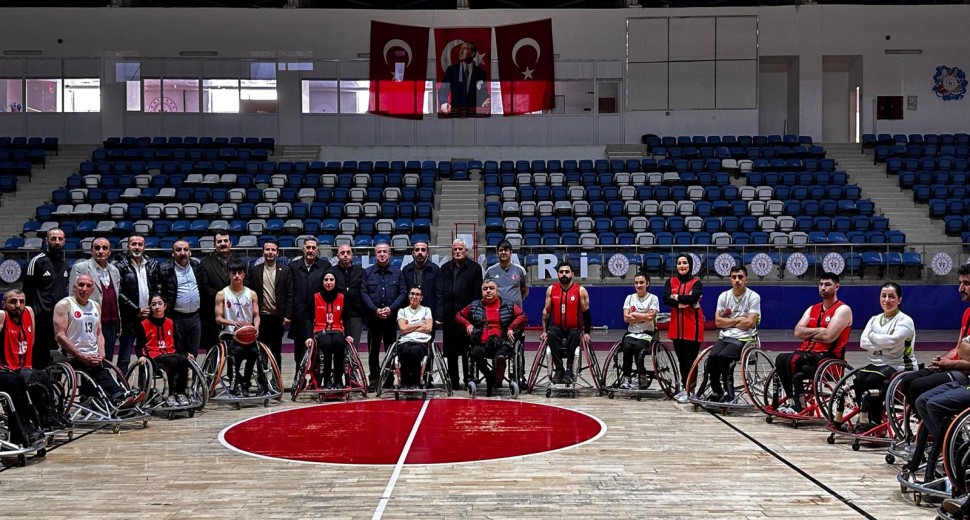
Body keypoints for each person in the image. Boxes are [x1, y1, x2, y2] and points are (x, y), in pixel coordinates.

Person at [902, 266, 970, 496]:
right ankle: (950, 446)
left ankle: (951, 449)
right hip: (963, 373)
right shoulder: (967, 313)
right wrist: (945, 359)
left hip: (964, 375)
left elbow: (965, 356)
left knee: (929, 399)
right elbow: (960, 349)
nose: (960, 288)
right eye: (960, 283)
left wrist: (953, 363)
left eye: (966, 283)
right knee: (920, 398)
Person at [842, 282, 916, 433]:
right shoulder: (874, 319)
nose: (887, 300)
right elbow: (863, 343)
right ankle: (865, 418)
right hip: (877, 364)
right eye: (884, 296)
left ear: (899, 300)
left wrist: (873, 337)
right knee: (859, 379)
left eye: (892, 297)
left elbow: (892, 341)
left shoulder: (905, 320)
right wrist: (883, 343)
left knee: (872, 381)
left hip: (900, 365)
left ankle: (875, 422)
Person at [774, 272, 852, 414]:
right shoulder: (812, 309)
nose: (823, 287)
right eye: (821, 284)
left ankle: (799, 405)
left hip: (828, 358)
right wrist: (819, 330)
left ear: (837, 287)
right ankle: (792, 400)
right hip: (807, 354)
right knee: (780, 359)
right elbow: (797, 332)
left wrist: (808, 334)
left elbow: (828, 337)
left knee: (795, 360)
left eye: (827, 284)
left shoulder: (843, 309)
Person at [53, 274, 131, 407]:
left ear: (92, 290)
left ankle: (119, 396)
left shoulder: (95, 306)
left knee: (102, 370)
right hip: (73, 355)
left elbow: (99, 333)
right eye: (81, 285)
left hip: (93, 355)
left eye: (88, 285)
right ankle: (117, 396)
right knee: (96, 371)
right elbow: (60, 336)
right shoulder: (64, 305)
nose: (84, 288)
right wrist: (81, 355)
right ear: (74, 287)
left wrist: (101, 353)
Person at [0, 289, 71, 431]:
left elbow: (30, 342)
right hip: (7, 369)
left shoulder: (29, 312)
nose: (18, 305)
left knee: (48, 380)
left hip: (23, 367)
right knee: (37, 379)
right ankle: (44, 418)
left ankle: (50, 415)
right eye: (13, 302)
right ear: (4, 304)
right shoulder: (2, 316)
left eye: (21, 301)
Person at [455, 279, 527, 396]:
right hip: (481, 342)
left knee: (500, 358)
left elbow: (522, 316)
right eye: (485, 289)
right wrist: (467, 324)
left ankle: (497, 379)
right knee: (474, 353)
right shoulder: (474, 305)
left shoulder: (508, 305)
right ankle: (489, 376)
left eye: (491, 288)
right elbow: (458, 316)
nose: (488, 291)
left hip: (502, 342)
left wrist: (511, 327)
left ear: (497, 291)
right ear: (481, 292)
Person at [706, 266, 761, 403]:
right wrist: (738, 319)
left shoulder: (754, 297)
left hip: (745, 338)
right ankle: (717, 391)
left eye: (740, 277)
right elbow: (718, 322)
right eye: (734, 277)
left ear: (746, 279)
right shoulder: (723, 296)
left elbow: (749, 323)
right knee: (712, 357)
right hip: (726, 336)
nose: (737, 280)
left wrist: (728, 322)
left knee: (724, 357)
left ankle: (729, 393)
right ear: (730, 279)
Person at [69, 237, 125, 368]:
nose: (101, 251)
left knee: (107, 360)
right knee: (90, 362)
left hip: (111, 323)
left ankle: (104, 381)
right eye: (97, 248)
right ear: (91, 251)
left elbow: (116, 298)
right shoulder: (80, 268)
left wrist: (119, 323)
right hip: (89, 322)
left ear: (109, 252)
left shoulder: (114, 271)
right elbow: (73, 296)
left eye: (104, 248)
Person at [214, 261, 263, 397]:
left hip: (247, 335)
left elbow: (256, 316)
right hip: (230, 334)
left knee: (254, 353)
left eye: (239, 273)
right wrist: (233, 323)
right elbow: (218, 318)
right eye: (234, 273)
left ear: (244, 275)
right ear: (229, 274)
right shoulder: (221, 294)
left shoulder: (251, 294)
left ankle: (246, 382)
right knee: (237, 353)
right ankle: (236, 382)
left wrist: (256, 327)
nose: (236, 276)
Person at [114, 234, 162, 374]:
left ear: (144, 247)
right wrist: (136, 310)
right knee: (124, 356)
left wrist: (152, 308)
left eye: (140, 244)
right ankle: (122, 385)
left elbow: (158, 287)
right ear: (128, 246)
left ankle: (144, 384)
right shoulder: (120, 266)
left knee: (146, 355)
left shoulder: (153, 264)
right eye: (133, 244)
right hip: (129, 318)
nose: (137, 247)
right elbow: (119, 292)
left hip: (148, 317)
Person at [23, 227, 69, 369]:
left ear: (64, 241)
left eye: (60, 239)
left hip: (59, 321)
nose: (57, 242)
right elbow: (27, 294)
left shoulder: (64, 264)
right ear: (46, 240)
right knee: (39, 360)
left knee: (57, 360)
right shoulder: (36, 262)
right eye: (53, 238)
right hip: (40, 321)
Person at [362, 242, 407, 390]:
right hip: (373, 319)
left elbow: (403, 293)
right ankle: (374, 380)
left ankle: (388, 380)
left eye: (384, 252)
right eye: (379, 252)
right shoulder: (367, 273)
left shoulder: (398, 273)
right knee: (373, 352)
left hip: (390, 320)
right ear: (375, 254)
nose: (382, 254)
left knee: (390, 351)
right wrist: (375, 310)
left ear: (390, 254)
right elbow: (363, 293)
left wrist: (391, 309)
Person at [440, 238, 483, 390]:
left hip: (468, 317)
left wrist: (475, 316)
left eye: (460, 249)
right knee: (451, 352)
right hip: (449, 316)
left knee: (467, 351)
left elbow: (477, 294)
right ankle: (454, 381)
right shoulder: (444, 268)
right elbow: (441, 293)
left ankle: (468, 379)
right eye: (455, 249)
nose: (457, 251)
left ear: (466, 251)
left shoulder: (475, 268)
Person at [540, 261, 591, 385]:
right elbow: (546, 312)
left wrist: (587, 333)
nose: (564, 274)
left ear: (572, 274)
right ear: (557, 274)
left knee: (574, 334)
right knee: (551, 334)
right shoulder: (551, 289)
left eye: (567, 272)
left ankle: (569, 370)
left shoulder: (580, 290)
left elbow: (586, 314)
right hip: (557, 327)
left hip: (574, 328)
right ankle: (559, 369)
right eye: (561, 272)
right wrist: (544, 331)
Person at [135, 294, 191, 407]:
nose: (157, 307)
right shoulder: (143, 324)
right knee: (173, 362)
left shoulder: (170, 322)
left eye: (160, 304)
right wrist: (141, 355)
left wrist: (185, 353)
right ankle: (169, 394)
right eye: (154, 304)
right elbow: (139, 344)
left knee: (184, 361)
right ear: (150, 307)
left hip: (170, 352)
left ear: (165, 306)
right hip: (154, 355)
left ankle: (181, 393)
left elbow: (177, 342)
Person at [662, 253, 704, 403]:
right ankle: (684, 388)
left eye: (684, 263)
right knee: (681, 360)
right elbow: (665, 299)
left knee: (690, 360)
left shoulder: (696, 283)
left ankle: (690, 391)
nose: (681, 266)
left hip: (693, 327)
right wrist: (682, 302)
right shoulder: (670, 281)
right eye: (679, 263)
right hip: (676, 328)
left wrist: (676, 297)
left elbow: (693, 298)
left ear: (690, 265)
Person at [246, 240, 293, 372]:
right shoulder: (255, 270)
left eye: (273, 250)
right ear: (263, 252)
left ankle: (276, 380)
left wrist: (288, 315)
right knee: (261, 351)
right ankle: (262, 380)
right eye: (267, 249)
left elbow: (290, 295)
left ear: (277, 253)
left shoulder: (285, 270)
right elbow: (249, 294)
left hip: (278, 318)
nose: (270, 252)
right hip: (261, 318)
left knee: (276, 351)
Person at [288, 238, 330, 380]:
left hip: (318, 314)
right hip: (299, 314)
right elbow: (289, 291)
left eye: (313, 247)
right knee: (299, 349)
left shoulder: (325, 266)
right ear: (303, 249)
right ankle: (299, 378)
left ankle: (316, 379)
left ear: (317, 249)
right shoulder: (293, 266)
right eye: (308, 247)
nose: (310, 250)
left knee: (318, 348)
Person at [306, 272, 352, 389]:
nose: (328, 282)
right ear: (322, 282)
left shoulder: (342, 297)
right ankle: (326, 379)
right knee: (326, 344)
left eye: (331, 280)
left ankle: (338, 380)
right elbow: (309, 319)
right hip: (321, 329)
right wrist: (309, 336)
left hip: (337, 329)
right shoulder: (315, 297)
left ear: (335, 282)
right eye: (326, 280)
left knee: (339, 343)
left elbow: (346, 318)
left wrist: (349, 334)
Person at [159, 240, 203, 358]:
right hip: (176, 317)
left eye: (185, 250)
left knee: (193, 352)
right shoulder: (165, 269)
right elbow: (160, 293)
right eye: (178, 250)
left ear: (190, 252)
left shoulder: (197, 266)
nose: (182, 253)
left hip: (195, 316)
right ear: (173, 253)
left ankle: (192, 370)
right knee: (178, 352)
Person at [617, 273, 659, 390]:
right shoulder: (630, 298)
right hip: (632, 333)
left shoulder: (653, 298)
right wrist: (643, 317)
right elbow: (626, 318)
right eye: (636, 283)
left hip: (647, 333)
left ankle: (642, 374)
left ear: (647, 284)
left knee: (637, 349)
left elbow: (650, 317)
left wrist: (634, 314)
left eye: (641, 282)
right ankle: (626, 377)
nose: (638, 285)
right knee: (627, 348)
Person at [196, 232, 237, 350]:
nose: (223, 244)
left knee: (235, 351)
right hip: (212, 314)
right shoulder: (205, 263)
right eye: (219, 241)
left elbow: (246, 284)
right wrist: (223, 297)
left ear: (230, 243)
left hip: (235, 313)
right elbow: (203, 287)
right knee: (213, 351)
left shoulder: (239, 262)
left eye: (225, 241)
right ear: (214, 245)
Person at [328, 243, 365, 354]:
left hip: (356, 315)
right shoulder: (331, 272)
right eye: (342, 253)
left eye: (348, 252)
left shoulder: (360, 271)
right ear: (338, 256)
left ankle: (352, 366)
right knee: (338, 348)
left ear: (352, 255)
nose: (345, 255)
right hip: (337, 316)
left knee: (353, 348)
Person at [437, 40, 490, 117]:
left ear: (473, 54)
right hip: (455, 115)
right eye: (460, 49)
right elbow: (443, 91)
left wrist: (486, 100)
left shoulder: (480, 73)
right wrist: (443, 103)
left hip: (475, 116)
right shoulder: (451, 71)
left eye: (465, 48)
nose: (461, 51)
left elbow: (483, 94)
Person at [396, 286, 434, 390]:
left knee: (415, 351)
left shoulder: (426, 310)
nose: (414, 296)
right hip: (405, 341)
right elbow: (402, 328)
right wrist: (419, 324)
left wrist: (409, 327)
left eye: (417, 294)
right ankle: (405, 382)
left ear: (421, 298)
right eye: (412, 294)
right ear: (409, 296)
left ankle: (416, 382)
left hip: (421, 342)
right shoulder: (402, 311)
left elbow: (429, 327)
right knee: (405, 351)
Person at [401, 240, 443, 324]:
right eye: (417, 250)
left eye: (423, 250)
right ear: (413, 253)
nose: (420, 252)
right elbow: (403, 294)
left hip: (429, 315)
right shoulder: (406, 270)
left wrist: (439, 316)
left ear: (427, 253)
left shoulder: (435, 270)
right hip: (410, 315)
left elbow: (440, 294)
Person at [484, 240, 529, 309]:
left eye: (506, 250)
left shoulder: (520, 270)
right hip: (496, 310)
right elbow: (485, 290)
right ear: (497, 253)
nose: (503, 252)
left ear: (511, 253)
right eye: (501, 250)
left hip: (515, 310)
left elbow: (525, 289)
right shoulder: (490, 271)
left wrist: (516, 301)